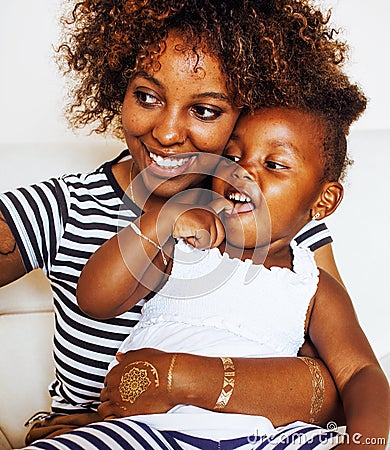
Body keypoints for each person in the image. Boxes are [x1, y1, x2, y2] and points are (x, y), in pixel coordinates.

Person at [0, 0, 353, 444]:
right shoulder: (64, 206)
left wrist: (177, 381)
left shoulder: (271, 216)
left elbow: (337, 387)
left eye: (205, 110)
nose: (166, 134)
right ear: (118, 90)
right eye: (146, 96)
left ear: (247, 109)